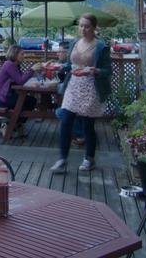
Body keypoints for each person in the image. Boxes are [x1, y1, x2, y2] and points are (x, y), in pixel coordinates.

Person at [49, 14, 112, 173]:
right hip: (73, 86)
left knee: (87, 125)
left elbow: (108, 70)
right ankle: (62, 160)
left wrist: (95, 70)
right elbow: (70, 65)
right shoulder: (74, 43)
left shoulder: (101, 46)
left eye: (87, 26)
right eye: (81, 26)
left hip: (90, 87)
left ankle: (89, 159)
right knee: (65, 120)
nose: (83, 29)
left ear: (94, 28)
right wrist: (58, 67)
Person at [0, 45, 39, 135]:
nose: (24, 56)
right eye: (22, 54)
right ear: (15, 54)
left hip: (6, 95)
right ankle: (9, 125)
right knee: (27, 103)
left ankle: (14, 125)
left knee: (31, 101)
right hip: (0, 97)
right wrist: (32, 69)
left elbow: (19, 80)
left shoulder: (15, 65)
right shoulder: (9, 65)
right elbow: (20, 81)